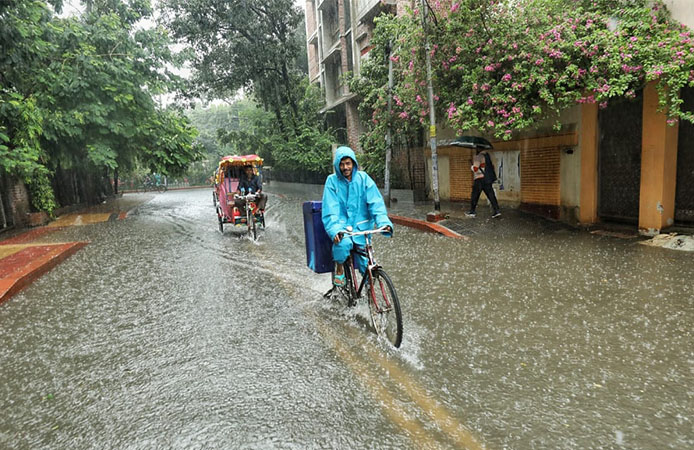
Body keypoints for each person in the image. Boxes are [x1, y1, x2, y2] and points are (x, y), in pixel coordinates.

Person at [322, 146, 393, 287]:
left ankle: (369, 292)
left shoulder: (364, 179)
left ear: (353, 163)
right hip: (342, 227)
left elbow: (375, 203)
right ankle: (340, 268)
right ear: (338, 165)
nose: (345, 167)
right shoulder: (332, 181)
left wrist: (383, 222)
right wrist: (335, 229)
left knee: (366, 263)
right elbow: (330, 208)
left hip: (361, 227)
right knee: (342, 245)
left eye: (348, 163)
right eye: (341, 164)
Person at [466, 147, 501, 218]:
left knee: (474, 196)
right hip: (487, 179)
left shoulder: (478, 157)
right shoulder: (487, 156)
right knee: (491, 195)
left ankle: (472, 212)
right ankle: (497, 211)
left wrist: (471, 166)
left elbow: (475, 169)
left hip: (479, 179)